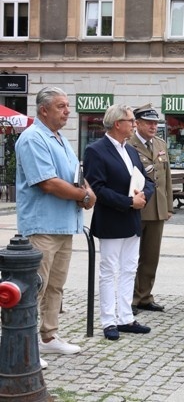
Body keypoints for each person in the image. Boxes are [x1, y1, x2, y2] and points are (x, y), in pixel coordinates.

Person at [16, 86, 97, 366]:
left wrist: (87, 191)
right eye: (62, 106)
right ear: (44, 110)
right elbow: (47, 182)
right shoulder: (33, 138)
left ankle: (48, 338)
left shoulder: (60, 139)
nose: (67, 111)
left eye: (67, 106)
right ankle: (24, 344)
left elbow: (77, 174)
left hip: (64, 225)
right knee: (34, 286)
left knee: (55, 287)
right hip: (41, 225)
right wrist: (84, 195)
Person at [84, 103, 154, 341]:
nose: (134, 125)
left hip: (132, 219)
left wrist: (144, 197)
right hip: (112, 219)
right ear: (117, 124)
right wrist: (127, 202)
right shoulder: (96, 150)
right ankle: (108, 321)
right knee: (109, 270)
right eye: (131, 121)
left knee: (129, 268)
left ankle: (125, 317)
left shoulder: (131, 150)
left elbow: (146, 180)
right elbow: (98, 189)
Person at [127, 104, 173, 315]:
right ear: (137, 123)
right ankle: (130, 299)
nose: (154, 126)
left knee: (151, 256)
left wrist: (169, 206)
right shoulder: (128, 144)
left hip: (157, 209)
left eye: (156, 123)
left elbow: (167, 179)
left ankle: (145, 296)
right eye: (149, 123)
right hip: (136, 208)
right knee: (131, 256)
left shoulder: (160, 144)